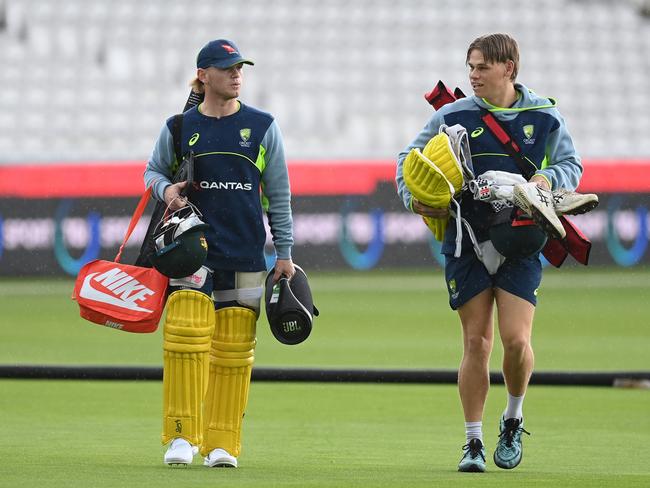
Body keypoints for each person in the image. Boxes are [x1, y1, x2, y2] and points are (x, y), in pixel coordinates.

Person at [396, 33, 595, 472]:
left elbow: (572, 166)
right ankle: (472, 442)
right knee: (476, 342)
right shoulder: (454, 114)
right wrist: (415, 200)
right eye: (470, 66)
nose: (473, 75)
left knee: (517, 341)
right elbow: (407, 160)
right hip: (466, 240)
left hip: (522, 240)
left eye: (482, 67)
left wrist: (543, 182)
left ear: (509, 68)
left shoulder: (543, 116)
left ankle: (512, 417)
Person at [144, 38, 294, 468]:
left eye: (240, 68)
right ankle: (180, 437)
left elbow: (279, 196)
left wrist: (283, 253)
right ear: (203, 75)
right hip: (192, 249)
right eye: (227, 68)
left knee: (233, 350)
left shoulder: (263, 125)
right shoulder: (179, 126)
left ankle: (223, 443)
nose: (236, 74)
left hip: (247, 252)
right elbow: (153, 171)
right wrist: (166, 189)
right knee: (185, 338)